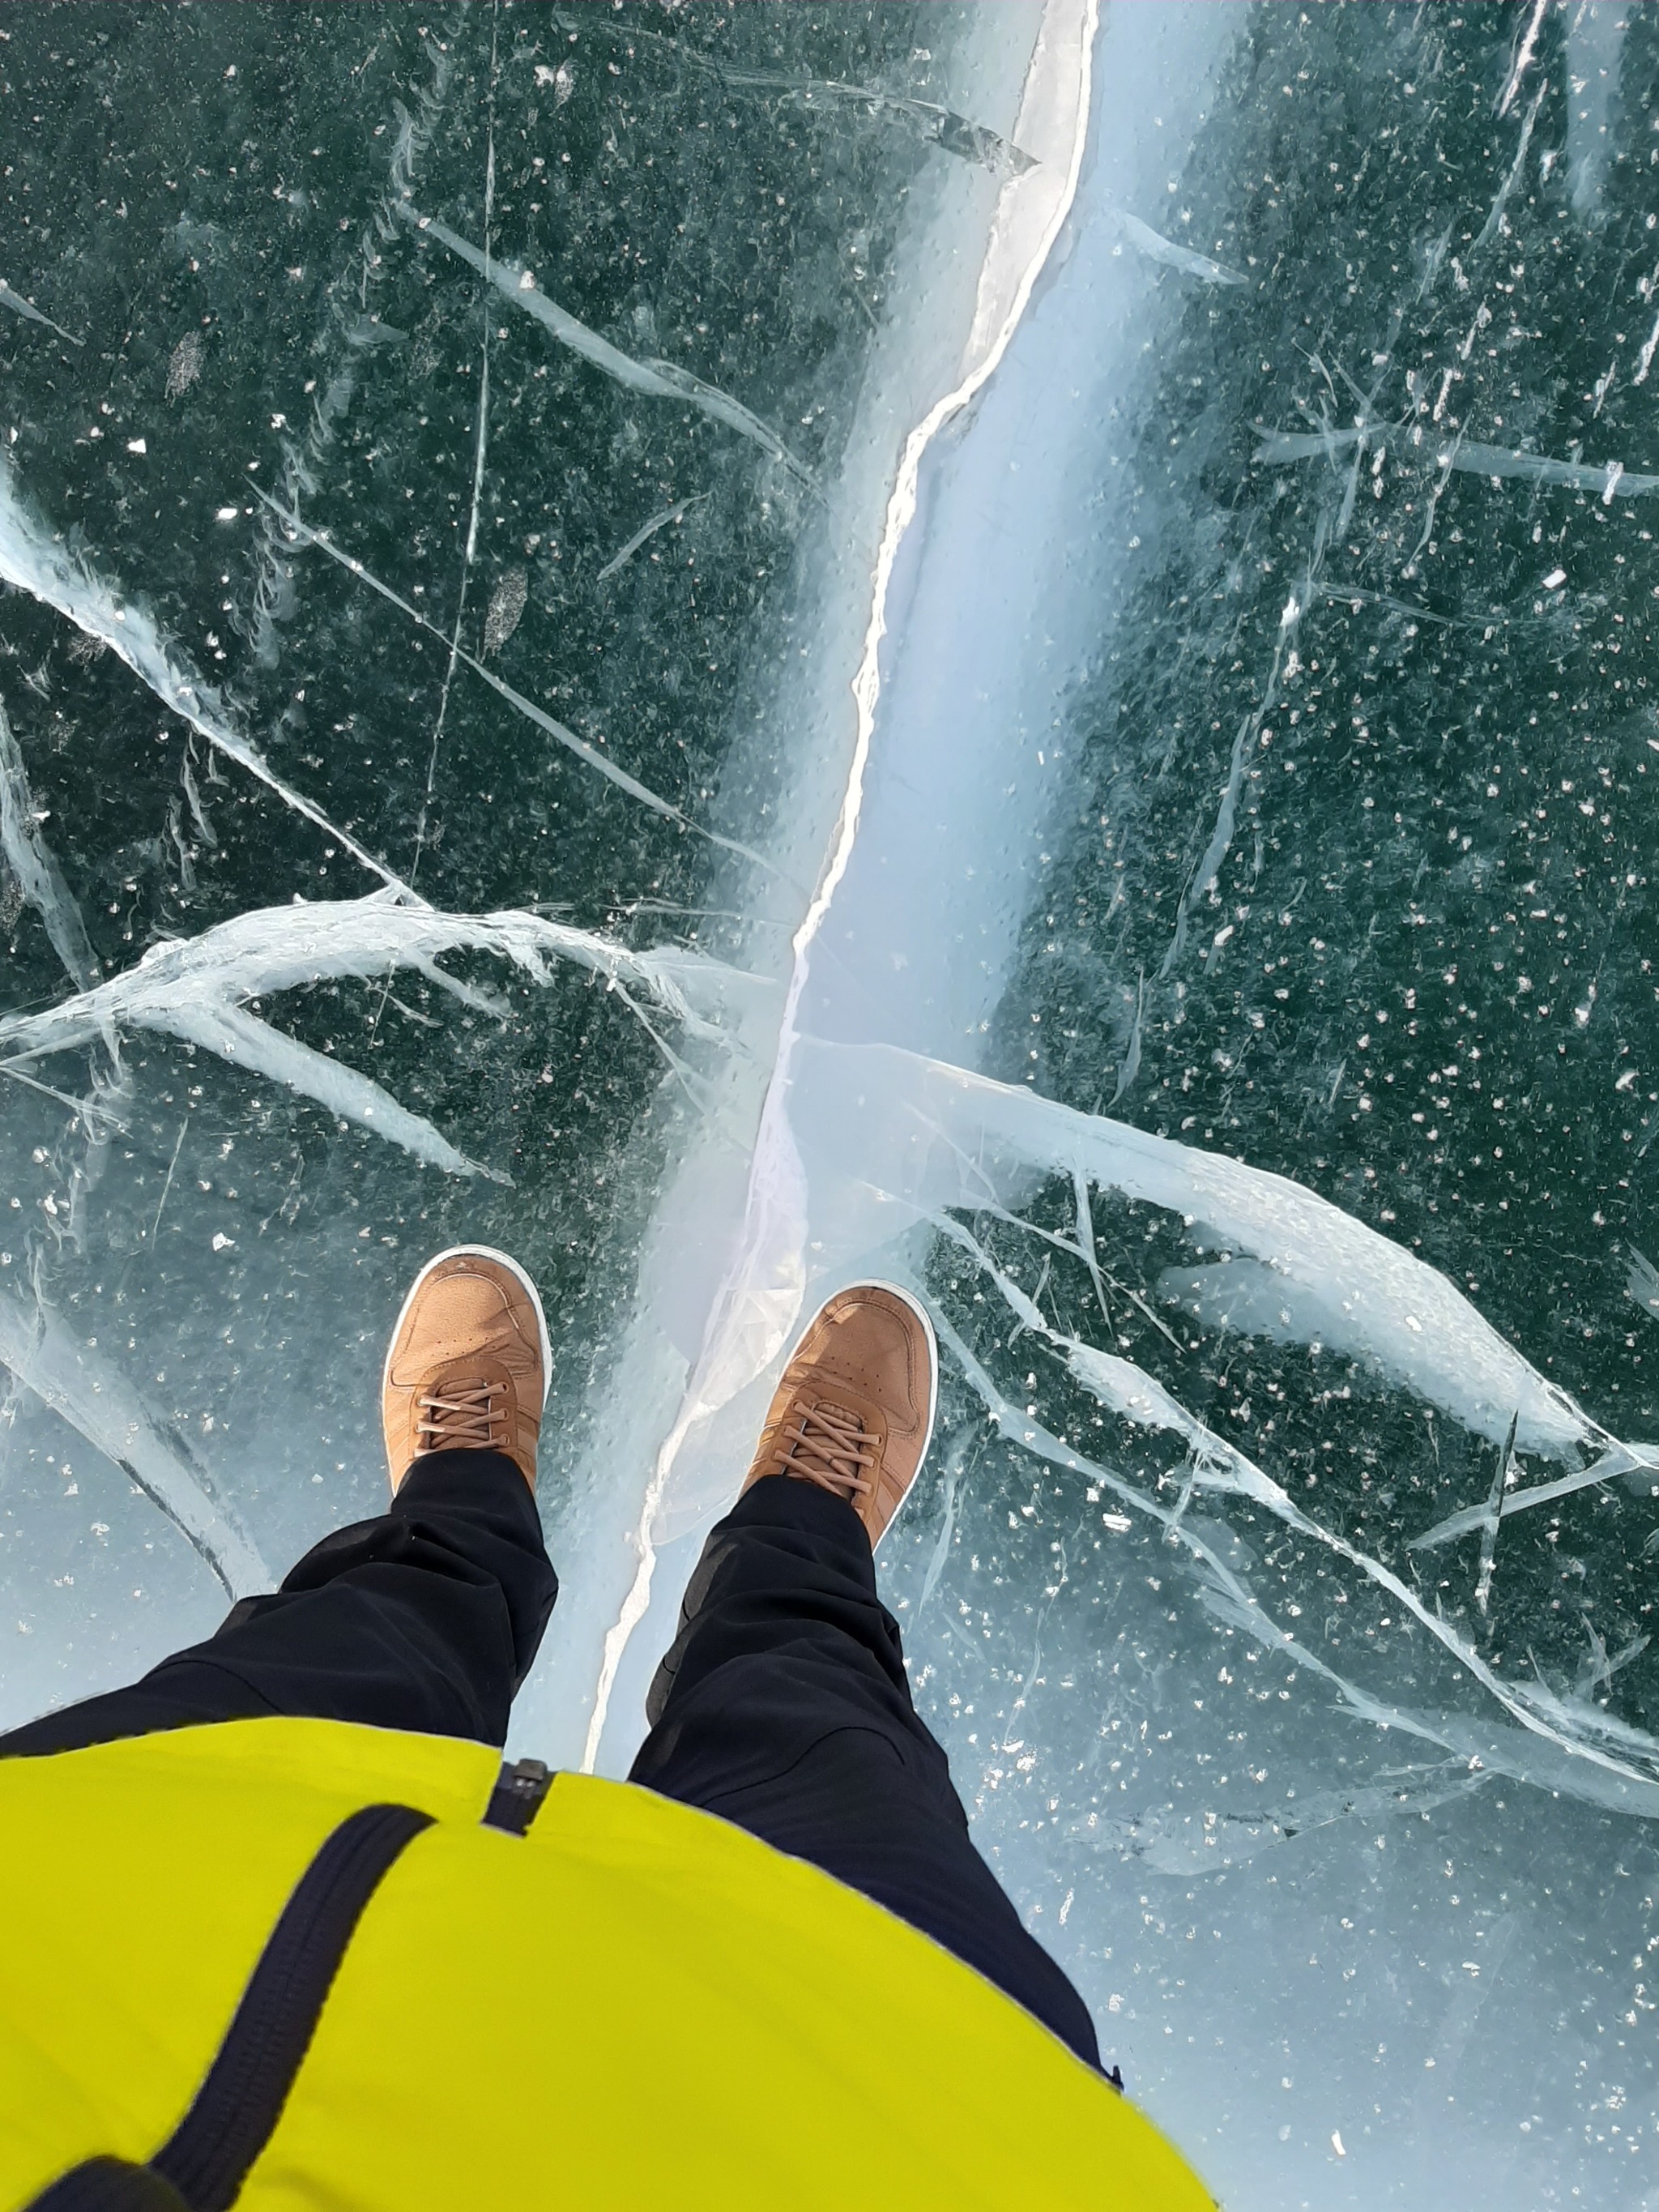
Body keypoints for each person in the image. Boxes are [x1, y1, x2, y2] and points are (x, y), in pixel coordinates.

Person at [0, 1247, 1210, 2210]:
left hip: (117, 1910)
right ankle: (801, 1534)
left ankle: (460, 1516)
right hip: (898, 2079)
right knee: (818, 1716)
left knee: (355, 1643)